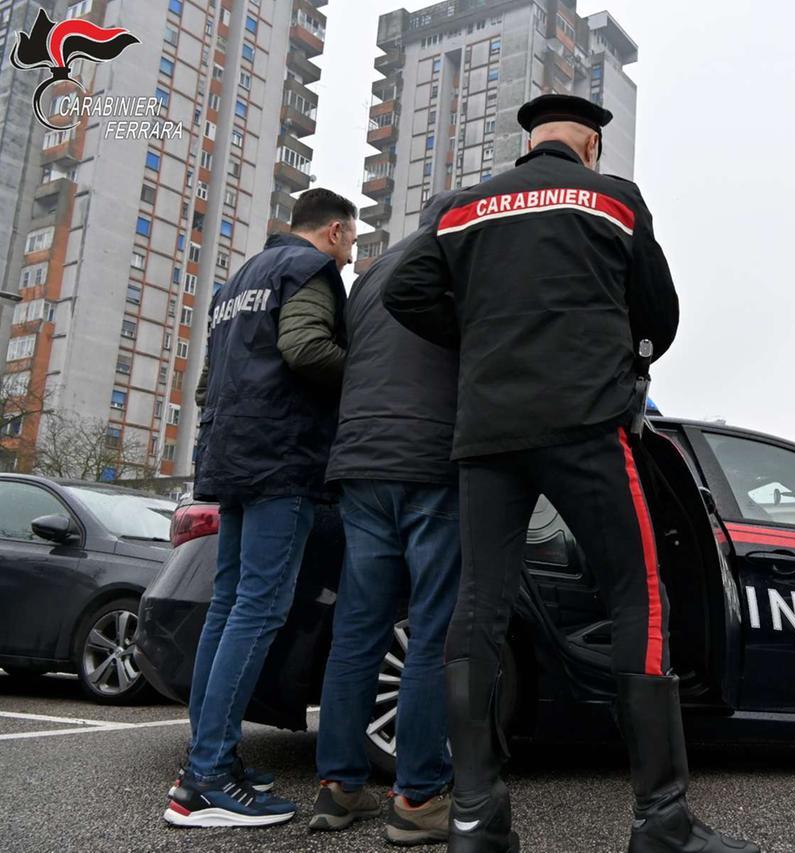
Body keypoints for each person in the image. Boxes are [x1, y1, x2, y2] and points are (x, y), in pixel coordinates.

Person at [383, 94, 760, 853]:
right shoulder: (613, 199)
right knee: (637, 594)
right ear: (589, 145)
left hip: (488, 431)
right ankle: (661, 820)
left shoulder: (462, 208)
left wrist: (487, 337)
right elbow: (661, 310)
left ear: (529, 145)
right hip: (587, 422)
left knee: (479, 603)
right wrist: (622, 362)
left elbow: (402, 291)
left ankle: (475, 821)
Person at [165, 188, 357, 828]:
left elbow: (204, 382)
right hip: (283, 457)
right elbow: (305, 349)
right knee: (259, 606)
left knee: (229, 605)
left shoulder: (235, 284)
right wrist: (367, 377)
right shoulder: (310, 270)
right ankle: (209, 779)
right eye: (352, 242)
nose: (350, 255)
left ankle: (207, 757)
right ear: (333, 231)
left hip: (231, 452)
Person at [309, 192, 464, 845]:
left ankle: (339, 786)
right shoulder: (461, 264)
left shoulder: (371, 274)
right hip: (430, 461)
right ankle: (419, 796)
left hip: (360, 464)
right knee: (431, 628)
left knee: (357, 630)